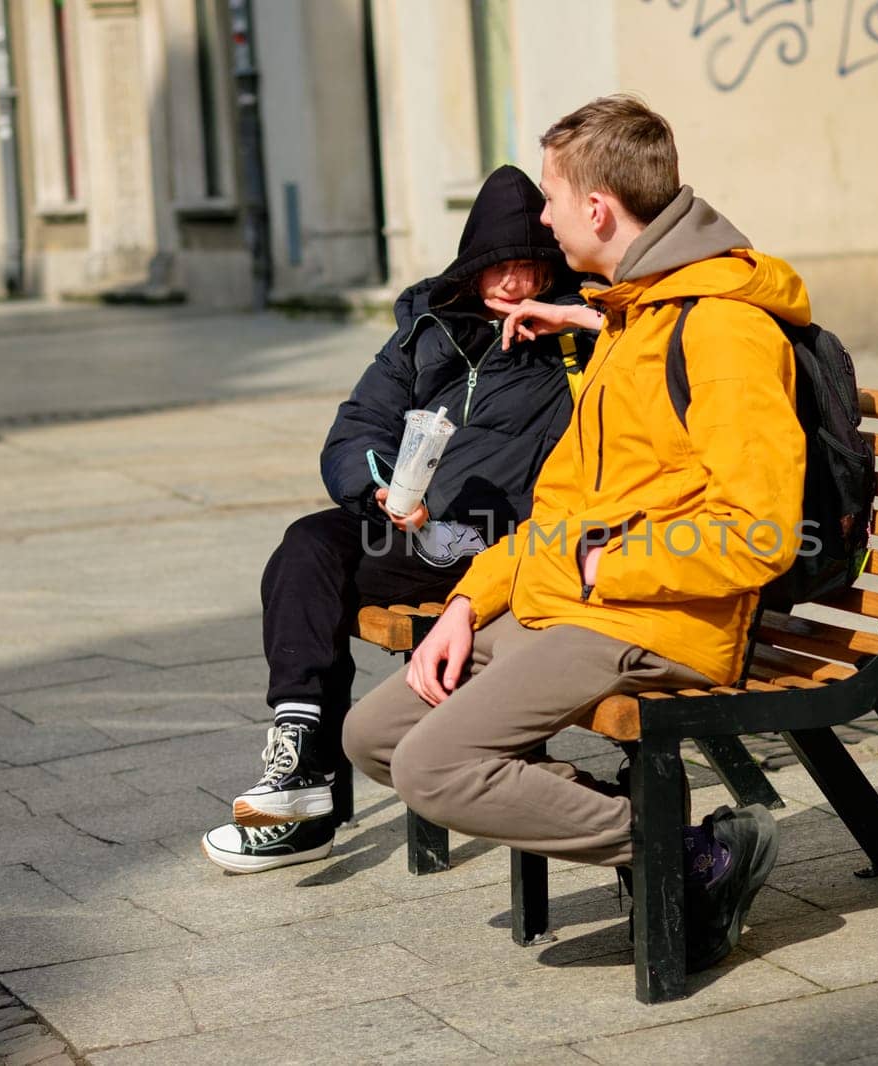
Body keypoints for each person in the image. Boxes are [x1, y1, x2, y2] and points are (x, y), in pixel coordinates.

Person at [341, 95, 808, 971]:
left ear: (597, 208)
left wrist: (610, 564)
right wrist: (466, 605)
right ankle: (679, 848)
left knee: (435, 768)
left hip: (656, 622)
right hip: (576, 604)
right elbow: (558, 511)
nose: (543, 215)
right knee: (376, 736)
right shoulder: (631, 323)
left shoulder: (724, 330)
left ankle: (695, 856)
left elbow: (762, 534)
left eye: (552, 197)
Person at [201, 165, 595, 873]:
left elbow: (644, 354)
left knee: (323, 570)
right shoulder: (426, 330)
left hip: (505, 548)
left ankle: (309, 789)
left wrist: (577, 321)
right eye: (497, 268)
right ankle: (302, 766)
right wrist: (382, 490)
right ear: (471, 266)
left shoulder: (576, 337)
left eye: (529, 267)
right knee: (309, 548)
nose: (513, 285)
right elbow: (355, 430)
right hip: (417, 532)